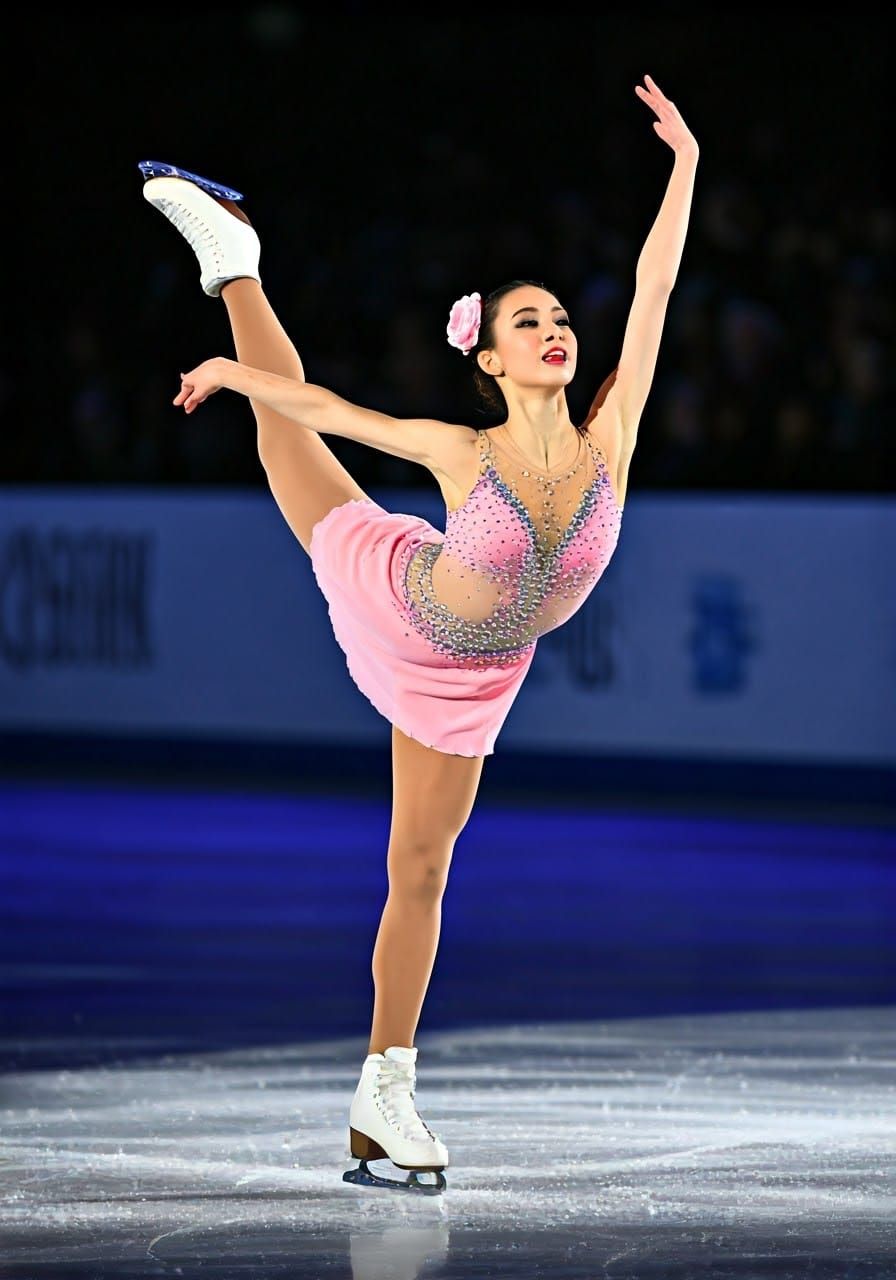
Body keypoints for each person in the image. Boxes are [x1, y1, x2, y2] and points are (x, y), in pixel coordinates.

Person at [139, 72, 698, 1193]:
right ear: (487, 356)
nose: (552, 329)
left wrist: (684, 164)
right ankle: (234, 262)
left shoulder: (613, 435)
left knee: (420, 865)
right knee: (289, 445)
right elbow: (341, 413)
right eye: (524, 320)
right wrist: (233, 372)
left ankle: (381, 1088)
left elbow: (651, 286)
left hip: (475, 675)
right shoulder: (462, 450)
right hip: (401, 596)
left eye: (556, 317)